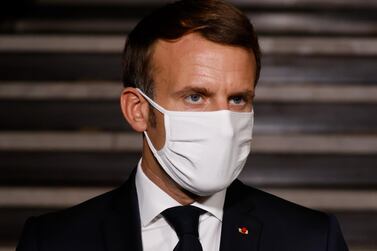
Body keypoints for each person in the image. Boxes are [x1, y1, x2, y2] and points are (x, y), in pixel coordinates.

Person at [16, 0, 349, 250]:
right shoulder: (53, 241)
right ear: (138, 110)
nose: (225, 123)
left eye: (237, 99)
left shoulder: (312, 240)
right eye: (195, 97)